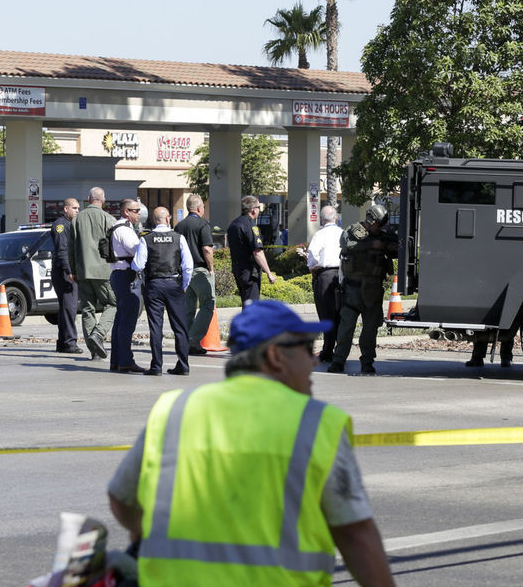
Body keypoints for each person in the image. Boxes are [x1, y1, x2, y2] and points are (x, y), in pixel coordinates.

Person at [106, 300, 396, 587]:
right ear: (274, 356)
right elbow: (355, 535)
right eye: (306, 349)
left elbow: (122, 498)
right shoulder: (317, 423)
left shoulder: (175, 409)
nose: (314, 360)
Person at [328, 205, 398, 375]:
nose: (380, 227)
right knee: (346, 328)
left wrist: (384, 244)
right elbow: (346, 244)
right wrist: (371, 245)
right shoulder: (353, 231)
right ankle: (338, 361)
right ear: (371, 221)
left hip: (373, 290)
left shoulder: (383, 235)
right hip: (352, 289)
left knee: (370, 330)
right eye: (378, 224)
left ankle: (367, 361)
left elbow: (396, 248)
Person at [132, 207, 193, 376]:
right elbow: (188, 266)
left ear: (153, 219)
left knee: (155, 327)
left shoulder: (147, 239)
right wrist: (183, 286)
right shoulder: (178, 238)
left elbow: (137, 264)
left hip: (154, 284)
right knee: (180, 327)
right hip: (174, 283)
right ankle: (183, 365)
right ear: (168, 219)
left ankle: (156, 366)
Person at [68, 187, 115, 362]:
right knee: (113, 303)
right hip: (104, 271)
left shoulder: (77, 219)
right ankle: (99, 334)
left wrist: (73, 270)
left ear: (88, 199)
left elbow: (71, 249)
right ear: (103, 200)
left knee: (88, 309)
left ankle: (94, 351)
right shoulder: (108, 219)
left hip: (83, 271)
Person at [174, 194, 214, 354]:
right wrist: (211, 267)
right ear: (199, 208)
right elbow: (207, 248)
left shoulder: (179, 226)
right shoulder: (203, 224)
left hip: (184, 271)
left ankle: (184, 340)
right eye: (203, 207)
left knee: (188, 307)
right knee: (208, 304)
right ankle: (193, 338)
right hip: (199, 270)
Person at [109, 199, 145, 373]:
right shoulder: (124, 230)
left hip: (120, 275)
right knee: (127, 321)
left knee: (121, 320)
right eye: (135, 210)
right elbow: (138, 251)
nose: (138, 213)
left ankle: (117, 360)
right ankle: (125, 361)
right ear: (126, 212)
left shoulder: (121, 227)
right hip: (126, 276)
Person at [305, 205, 343, 363]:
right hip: (342, 275)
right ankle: (340, 349)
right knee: (341, 314)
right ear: (336, 218)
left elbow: (312, 256)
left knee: (326, 315)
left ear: (322, 219)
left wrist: (311, 266)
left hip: (325, 276)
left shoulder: (319, 235)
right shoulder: (343, 233)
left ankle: (327, 351)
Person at [227, 194, 276, 304]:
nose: (259, 210)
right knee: (252, 305)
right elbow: (257, 252)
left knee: (246, 301)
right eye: (259, 208)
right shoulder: (251, 226)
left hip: (238, 269)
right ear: (253, 210)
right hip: (250, 272)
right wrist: (269, 272)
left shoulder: (234, 224)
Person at [51, 198, 82, 354]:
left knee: (66, 308)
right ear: (66, 209)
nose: (77, 211)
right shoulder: (61, 226)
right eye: (74, 208)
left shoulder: (72, 225)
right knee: (70, 308)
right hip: (64, 272)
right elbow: (62, 251)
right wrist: (70, 271)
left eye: (78, 208)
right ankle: (70, 342)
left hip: (67, 270)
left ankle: (63, 343)